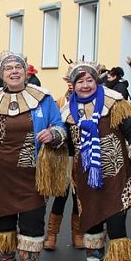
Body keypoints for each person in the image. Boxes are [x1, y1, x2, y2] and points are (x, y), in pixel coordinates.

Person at [63, 62, 131, 261]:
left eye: (89, 80)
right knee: (91, 229)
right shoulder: (67, 111)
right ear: (73, 85)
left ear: (96, 81)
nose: (85, 85)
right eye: (80, 81)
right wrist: (54, 136)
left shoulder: (116, 103)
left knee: (117, 229)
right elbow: (67, 144)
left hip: (116, 178)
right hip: (85, 180)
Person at [0, 51, 67, 261]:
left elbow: (59, 126)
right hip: (0, 176)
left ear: (26, 72)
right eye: (8, 68)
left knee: (32, 225)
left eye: (18, 67)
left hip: (33, 175)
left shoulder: (43, 99)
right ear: (1, 74)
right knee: (3, 225)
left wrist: (53, 135)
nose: (14, 71)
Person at [44, 65, 82, 251]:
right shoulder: (60, 102)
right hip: (65, 157)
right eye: (69, 81)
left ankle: (77, 234)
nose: (71, 84)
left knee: (79, 198)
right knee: (61, 196)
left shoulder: (91, 104)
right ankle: (51, 235)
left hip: (84, 159)